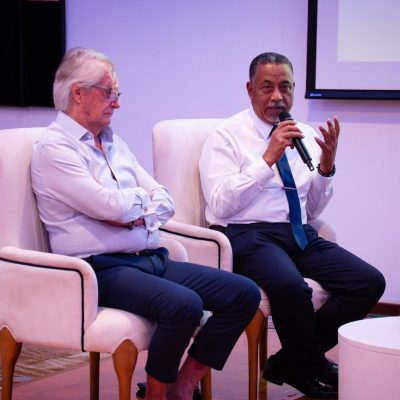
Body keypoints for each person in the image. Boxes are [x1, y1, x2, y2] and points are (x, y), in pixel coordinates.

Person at [30, 47, 260, 400]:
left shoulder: (114, 142)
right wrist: (130, 205)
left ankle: (181, 387)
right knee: (183, 305)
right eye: (109, 92)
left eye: (117, 93)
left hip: (148, 257)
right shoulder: (54, 149)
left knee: (243, 293)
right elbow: (106, 204)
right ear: (78, 92)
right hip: (98, 268)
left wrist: (130, 209)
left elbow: (163, 198)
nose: (117, 102)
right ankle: (155, 395)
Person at [199, 52, 385, 399]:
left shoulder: (305, 135)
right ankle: (310, 365)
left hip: (296, 231)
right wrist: (268, 157)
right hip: (246, 233)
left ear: (294, 89)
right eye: (266, 87)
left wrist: (326, 168)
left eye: (285, 87)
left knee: (368, 282)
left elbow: (310, 208)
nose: (277, 97)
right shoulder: (226, 136)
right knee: (291, 287)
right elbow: (220, 204)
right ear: (250, 89)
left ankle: (292, 361)